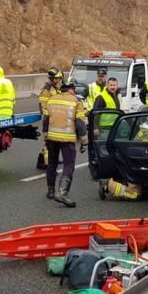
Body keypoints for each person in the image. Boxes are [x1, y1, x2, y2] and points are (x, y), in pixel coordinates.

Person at [43, 75, 88, 207]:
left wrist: (46, 136)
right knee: (69, 164)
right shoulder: (75, 101)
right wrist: (85, 140)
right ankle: (62, 192)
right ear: (72, 89)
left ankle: (51, 191)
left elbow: (45, 121)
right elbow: (80, 123)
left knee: (52, 163)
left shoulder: (51, 100)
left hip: (52, 138)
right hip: (67, 139)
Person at [36, 67, 63, 169]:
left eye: (59, 78)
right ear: (51, 79)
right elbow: (44, 108)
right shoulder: (46, 90)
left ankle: (50, 160)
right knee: (48, 142)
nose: (58, 81)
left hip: (55, 119)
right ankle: (46, 163)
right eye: (56, 79)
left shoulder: (55, 88)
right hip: (49, 119)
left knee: (53, 142)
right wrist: (49, 120)